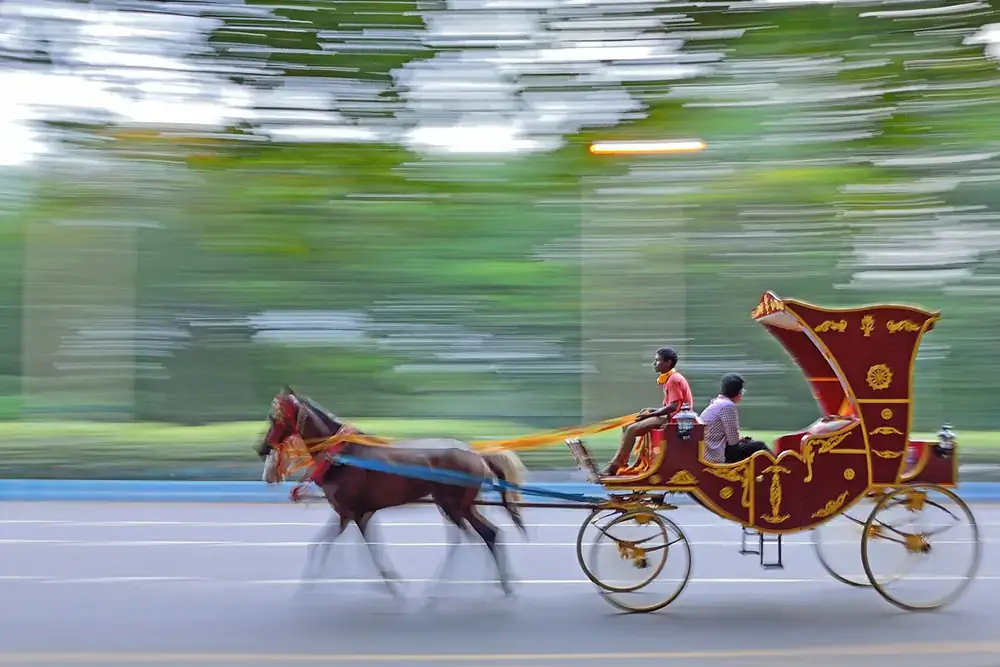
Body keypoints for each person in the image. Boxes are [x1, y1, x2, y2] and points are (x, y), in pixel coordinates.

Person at [599, 347, 693, 477]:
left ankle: (615, 466)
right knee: (627, 426)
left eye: (657, 360)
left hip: (674, 420)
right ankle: (622, 462)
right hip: (669, 416)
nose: (654, 363)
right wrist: (651, 411)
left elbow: (673, 407)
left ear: (668, 362)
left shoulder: (673, 380)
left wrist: (652, 414)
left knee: (632, 429)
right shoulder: (669, 378)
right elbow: (670, 405)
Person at [700, 373, 770, 464]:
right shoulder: (727, 406)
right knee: (759, 446)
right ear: (738, 392)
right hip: (717, 453)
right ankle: (778, 468)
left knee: (750, 443)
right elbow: (733, 442)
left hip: (710, 449)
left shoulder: (717, 402)